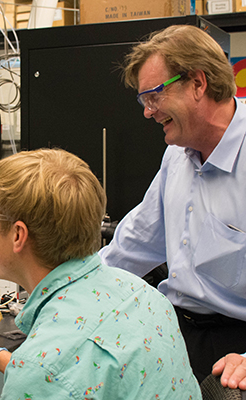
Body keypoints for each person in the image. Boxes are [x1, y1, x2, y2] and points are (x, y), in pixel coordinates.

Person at [0, 148, 201, 399]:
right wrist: (0, 357)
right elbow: (87, 376)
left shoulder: (42, 370)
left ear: (18, 235)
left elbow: (55, 375)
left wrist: (30, 370)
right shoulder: (145, 295)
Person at [97, 24, 246, 383]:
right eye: (143, 100)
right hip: (177, 331)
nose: (148, 112)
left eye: (154, 96)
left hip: (236, 348)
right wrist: (64, 288)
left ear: (198, 83)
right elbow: (133, 245)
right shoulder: (176, 156)